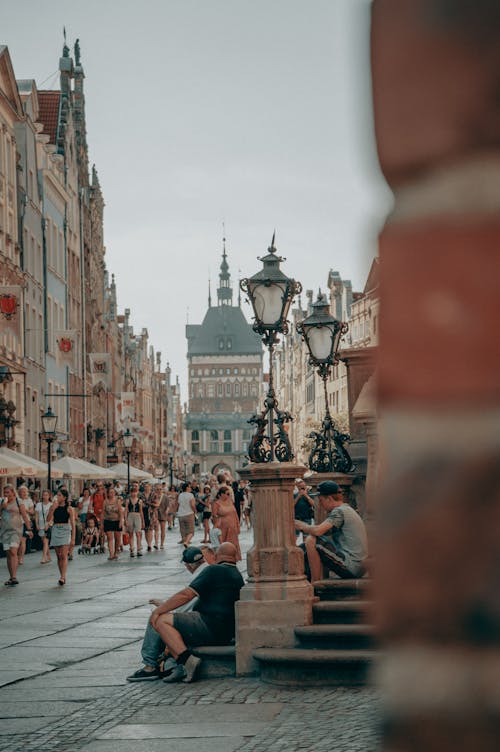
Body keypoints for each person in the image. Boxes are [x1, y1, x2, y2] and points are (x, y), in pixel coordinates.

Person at [129, 542, 244, 684]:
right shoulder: (237, 576)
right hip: (223, 631)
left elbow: (186, 595)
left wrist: (159, 610)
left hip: (208, 625)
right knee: (169, 625)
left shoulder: (215, 570)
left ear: (216, 556)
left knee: (161, 620)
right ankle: (172, 664)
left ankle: (184, 662)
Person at [294, 480, 368, 583]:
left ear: (328, 499)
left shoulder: (340, 511)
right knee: (305, 547)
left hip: (352, 566)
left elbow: (318, 531)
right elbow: (322, 533)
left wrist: (300, 525)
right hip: (359, 567)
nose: (320, 504)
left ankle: (315, 585)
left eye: (321, 500)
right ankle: (305, 579)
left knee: (311, 540)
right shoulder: (346, 509)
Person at [1, 484, 34, 586]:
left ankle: (14, 576)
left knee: (13, 551)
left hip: (16, 530)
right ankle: (11, 577)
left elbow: (24, 515)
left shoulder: (18, 502)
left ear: (12, 492)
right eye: (5, 493)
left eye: (8, 492)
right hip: (4, 531)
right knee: (8, 554)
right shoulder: (2, 502)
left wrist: (29, 529)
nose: (6, 494)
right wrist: (2, 507)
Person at [46, 487, 76, 586]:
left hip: (65, 530)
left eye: (59, 495)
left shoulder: (69, 508)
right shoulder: (53, 506)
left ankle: (62, 577)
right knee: (58, 556)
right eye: (57, 495)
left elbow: (73, 524)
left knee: (63, 555)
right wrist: (52, 509)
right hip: (55, 529)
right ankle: (62, 575)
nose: (57, 497)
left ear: (64, 497)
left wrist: (73, 539)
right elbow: (48, 519)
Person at [212, 486, 242, 561]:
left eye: (229, 494)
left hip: (232, 526)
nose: (228, 495)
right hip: (222, 527)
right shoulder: (216, 503)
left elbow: (235, 514)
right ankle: (225, 558)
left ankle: (234, 558)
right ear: (221, 494)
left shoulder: (230, 501)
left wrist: (238, 525)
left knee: (233, 543)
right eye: (227, 494)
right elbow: (214, 516)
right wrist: (215, 527)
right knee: (224, 544)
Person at [101, 485, 124, 560]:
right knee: (109, 538)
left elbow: (120, 512)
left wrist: (121, 521)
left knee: (117, 539)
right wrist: (101, 523)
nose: (112, 494)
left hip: (116, 520)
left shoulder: (118, 500)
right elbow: (103, 513)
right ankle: (111, 554)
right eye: (110, 492)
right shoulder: (105, 501)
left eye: (113, 492)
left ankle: (115, 553)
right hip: (108, 521)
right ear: (107, 493)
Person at [17, 485, 35, 564]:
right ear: (19, 493)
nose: (24, 493)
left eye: (25, 492)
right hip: (17, 522)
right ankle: (16, 556)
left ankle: (21, 558)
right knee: (17, 541)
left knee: (23, 540)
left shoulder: (29, 501)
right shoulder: (17, 500)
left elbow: (32, 512)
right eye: (22, 492)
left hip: (26, 522)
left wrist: (24, 510)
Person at [125, 487, 145, 557]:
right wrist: (125, 520)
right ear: (130, 493)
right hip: (130, 515)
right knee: (130, 533)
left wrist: (143, 521)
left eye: (135, 492)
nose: (134, 494)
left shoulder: (140, 501)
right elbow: (126, 510)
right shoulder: (128, 500)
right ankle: (131, 549)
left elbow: (141, 511)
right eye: (132, 492)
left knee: (138, 533)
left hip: (137, 516)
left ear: (137, 493)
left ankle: (139, 549)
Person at [35, 489, 53, 564]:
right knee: (44, 541)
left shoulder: (51, 505)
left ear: (49, 496)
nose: (45, 496)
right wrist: (36, 524)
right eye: (43, 495)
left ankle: (44, 557)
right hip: (41, 524)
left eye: (46, 495)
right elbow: (36, 516)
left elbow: (52, 516)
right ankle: (49, 556)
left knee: (45, 541)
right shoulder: (39, 504)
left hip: (48, 524)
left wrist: (48, 524)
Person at [176, 482, 197, 547]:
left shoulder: (180, 495)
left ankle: (185, 540)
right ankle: (187, 542)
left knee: (183, 530)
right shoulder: (190, 495)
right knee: (191, 531)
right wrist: (195, 511)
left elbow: (178, 504)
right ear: (187, 488)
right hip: (189, 514)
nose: (190, 488)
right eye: (190, 487)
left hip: (181, 514)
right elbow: (192, 505)